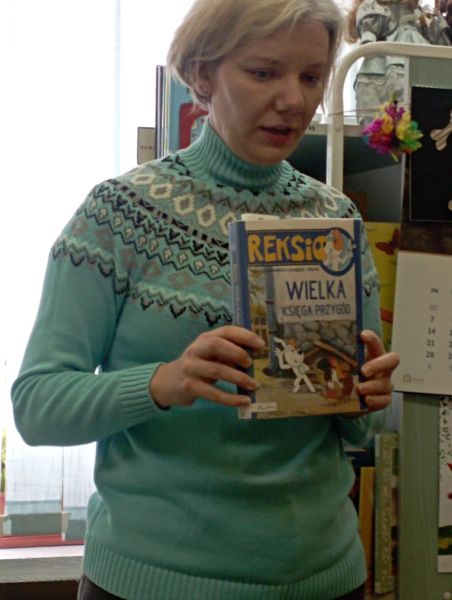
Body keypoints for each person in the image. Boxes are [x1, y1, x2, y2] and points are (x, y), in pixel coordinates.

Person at [11, 0, 400, 598]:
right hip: (151, 580)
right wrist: (163, 382)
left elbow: (360, 431)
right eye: (264, 72)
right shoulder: (120, 215)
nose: (293, 100)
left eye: (311, 76)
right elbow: (38, 406)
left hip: (325, 576)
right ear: (200, 73)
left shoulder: (335, 220)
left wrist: (366, 398)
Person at [345, 0, 451, 123]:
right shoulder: (377, 8)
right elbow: (369, 39)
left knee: (425, 101)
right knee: (386, 104)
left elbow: (438, 42)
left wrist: (430, 22)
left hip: (419, 58)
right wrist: (369, 41)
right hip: (386, 60)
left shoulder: (420, 12)